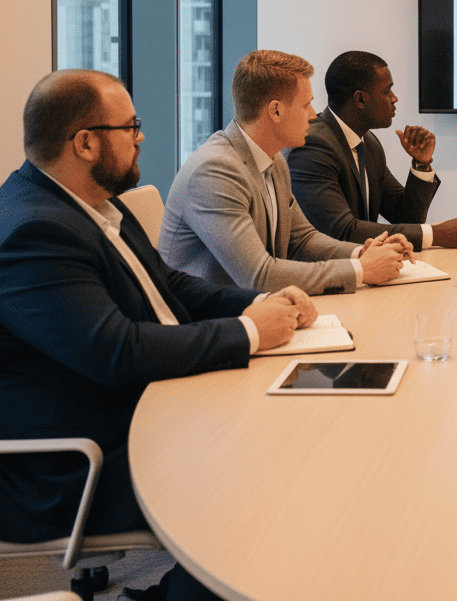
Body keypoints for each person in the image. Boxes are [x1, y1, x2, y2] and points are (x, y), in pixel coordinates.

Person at [0, 69, 315, 601]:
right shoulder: (35, 230)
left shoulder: (91, 201)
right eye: (131, 126)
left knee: (288, 435)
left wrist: (257, 302)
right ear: (85, 143)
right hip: (80, 464)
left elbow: (167, 285)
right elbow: (118, 352)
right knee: (263, 479)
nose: (141, 136)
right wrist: (248, 333)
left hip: (150, 407)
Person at [162, 50, 409, 294]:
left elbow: (303, 239)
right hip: (205, 323)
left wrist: (362, 252)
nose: (313, 115)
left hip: (255, 311)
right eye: (306, 105)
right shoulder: (214, 172)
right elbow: (260, 275)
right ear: (276, 111)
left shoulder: (275, 161)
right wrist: (360, 269)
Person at [286, 51, 457, 250]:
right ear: (360, 99)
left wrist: (422, 163)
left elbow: (406, 217)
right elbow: (342, 231)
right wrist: (435, 234)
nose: (394, 99)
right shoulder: (312, 146)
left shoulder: (369, 144)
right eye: (387, 92)